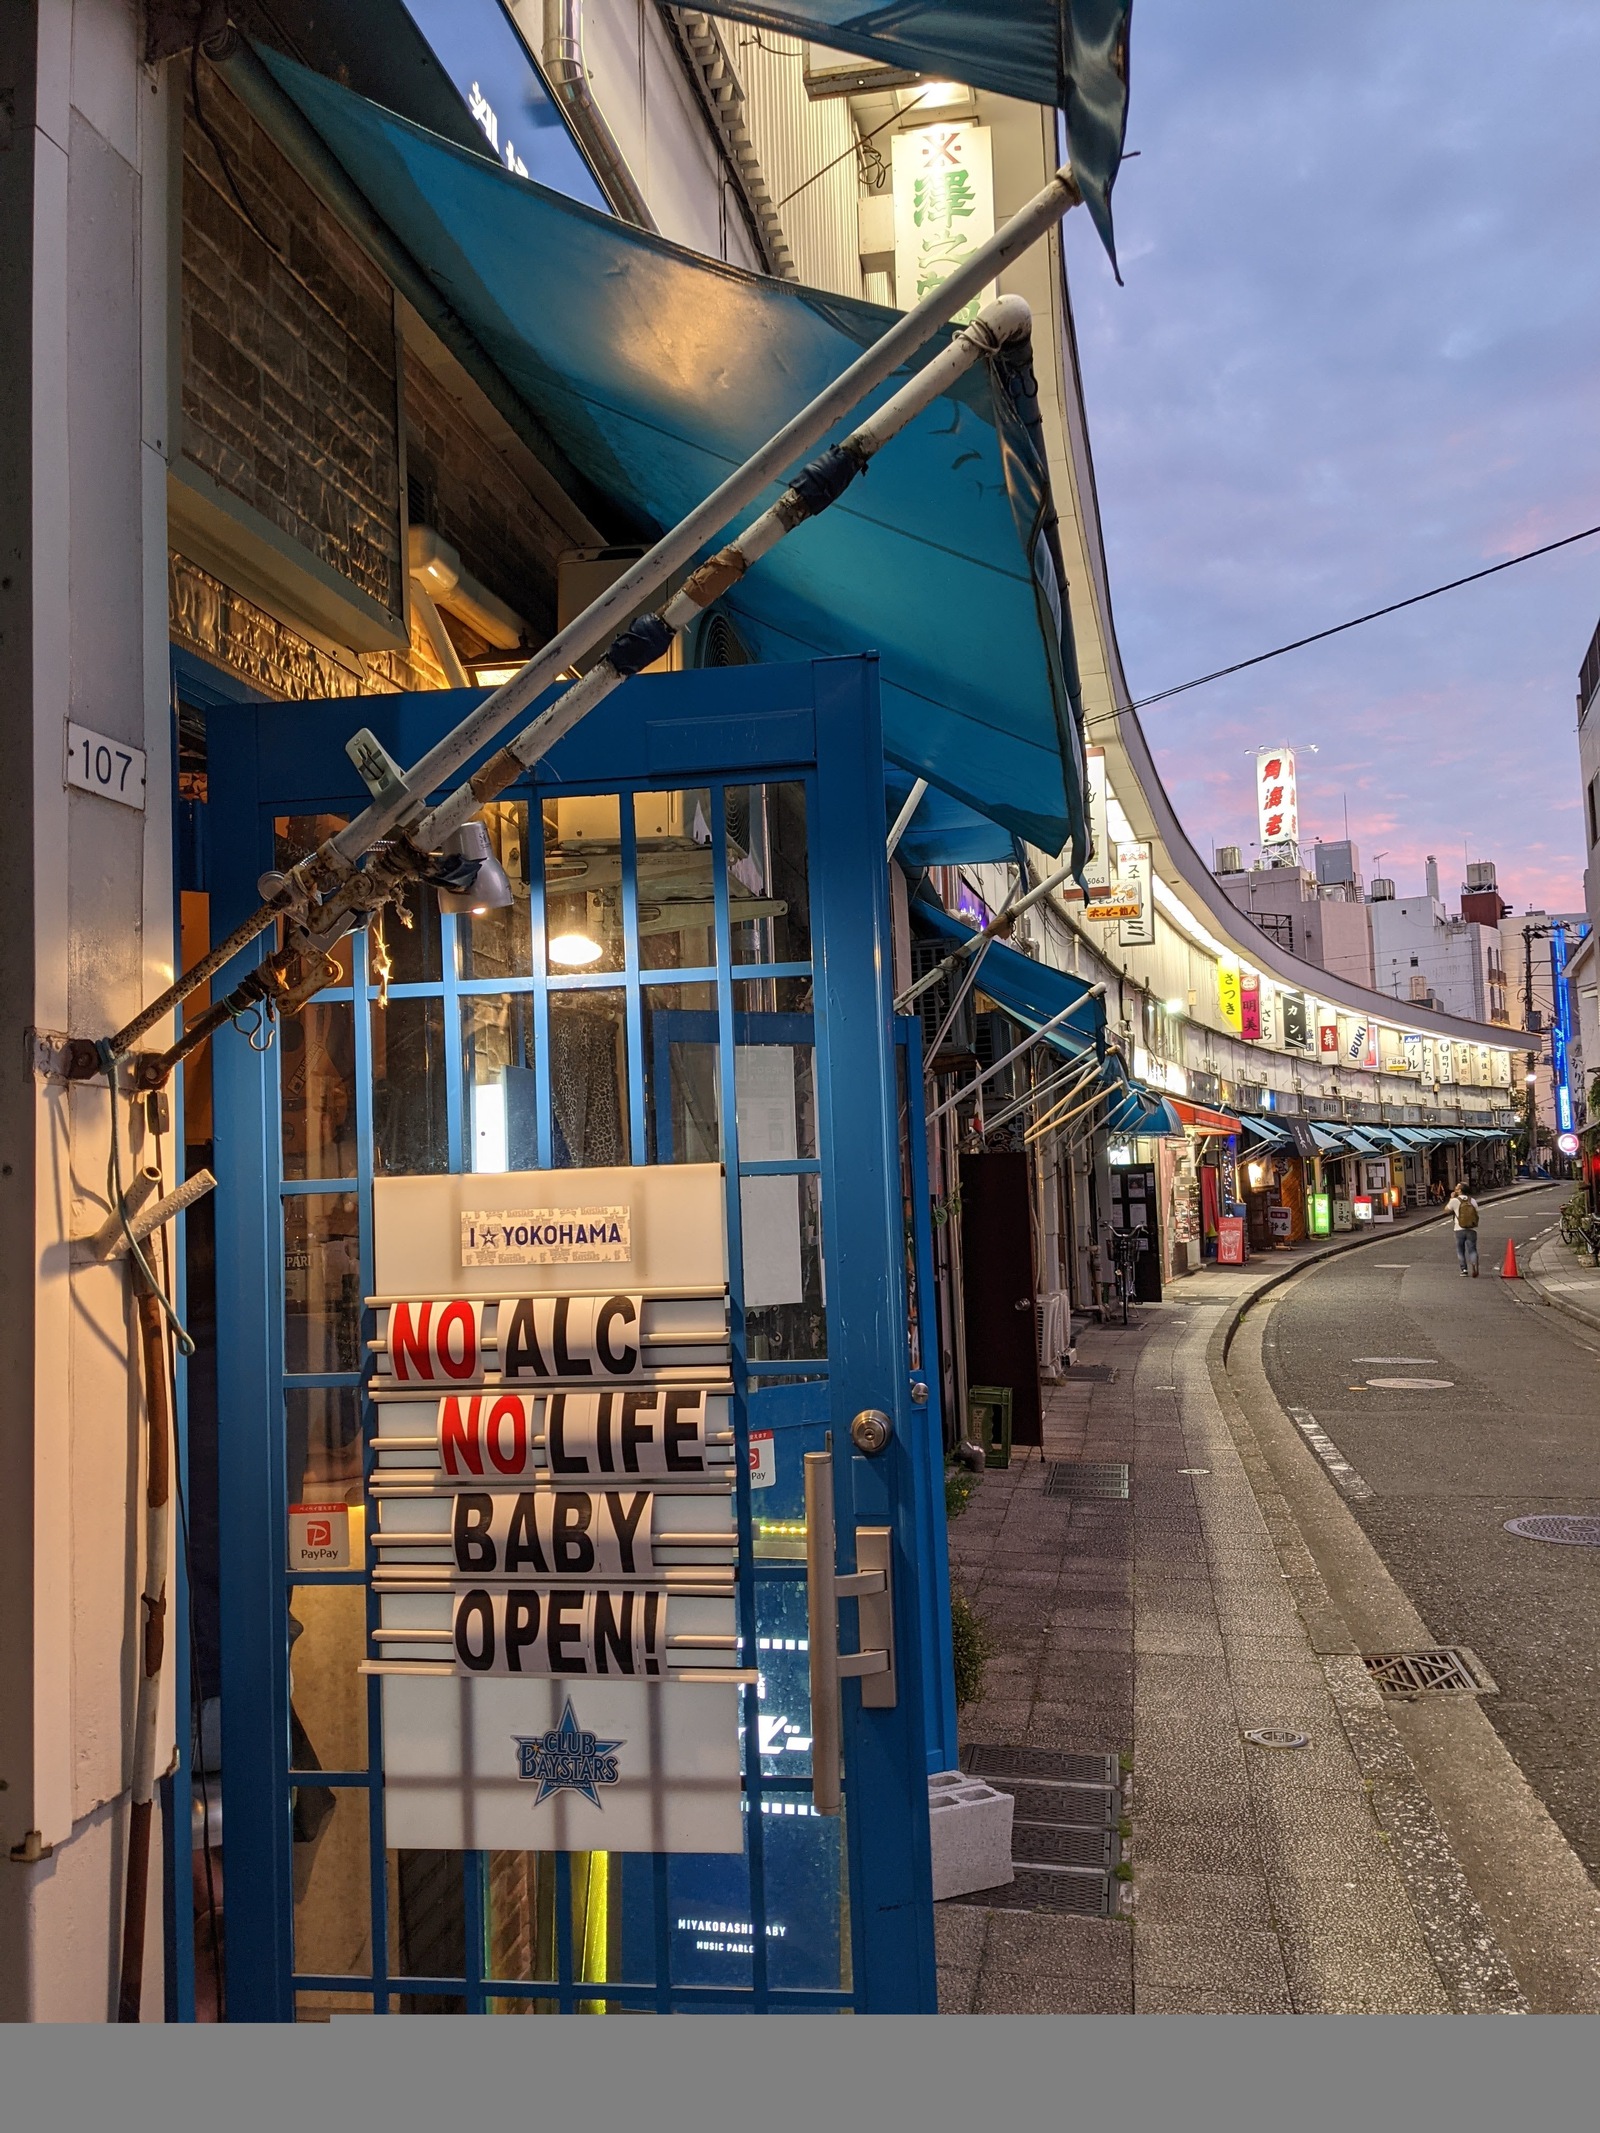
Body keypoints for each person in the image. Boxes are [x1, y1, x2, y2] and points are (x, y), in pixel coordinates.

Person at [1446, 1182, 1480, 1277]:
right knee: (1472, 1249)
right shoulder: (1472, 1200)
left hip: (1459, 1229)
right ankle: (1474, 1263)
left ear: (1460, 1190)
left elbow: (1446, 1210)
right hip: (1471, 1229)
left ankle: (1464, 1269)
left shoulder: (1455, 1200)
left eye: (1457, 1187)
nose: (1455, 1189)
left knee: (1460, 1250)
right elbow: (1476, 1213)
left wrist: (1451, 1198)